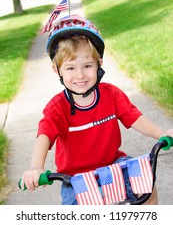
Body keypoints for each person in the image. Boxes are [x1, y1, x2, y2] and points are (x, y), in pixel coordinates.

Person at [21, 14, 173, 205]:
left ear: (99, 65)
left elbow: (134, 117)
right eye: (70, 68)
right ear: (57, 70)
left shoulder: (111, 94)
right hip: (75, 179)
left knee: (146, 186)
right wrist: (36, 167)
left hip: (114, 165)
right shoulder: (57, 107)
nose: (80, 75)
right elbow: (44, 135)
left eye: (87, 66)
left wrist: (161, 134)